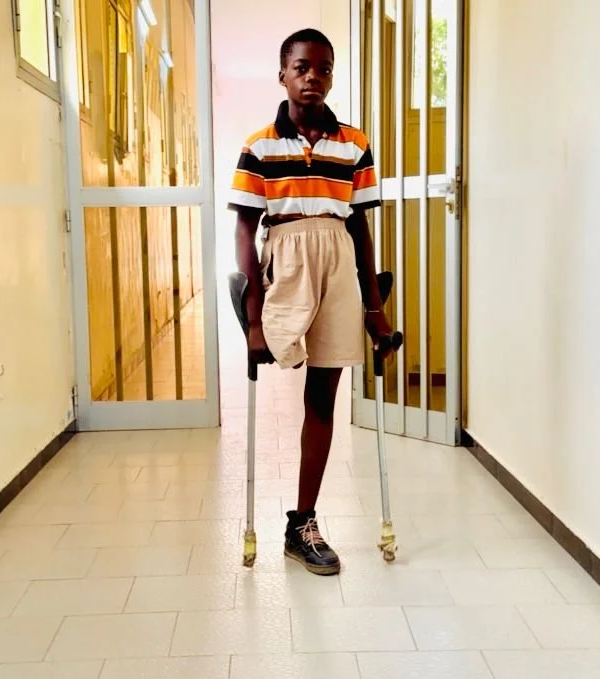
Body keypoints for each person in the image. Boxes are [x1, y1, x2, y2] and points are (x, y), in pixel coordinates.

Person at [227, 28, 398, 576]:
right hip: (286, 254)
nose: (312, 77)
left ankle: (303, 523)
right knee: (276, 349)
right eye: (302, 67)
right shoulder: (259, 146)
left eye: (323, 69)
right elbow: (244, 226)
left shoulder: (354, 144)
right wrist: (254, 319)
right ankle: (251, 307)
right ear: (283, 73)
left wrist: (374, 306)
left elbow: (362, 225)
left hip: (339, 257)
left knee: (323, 392)